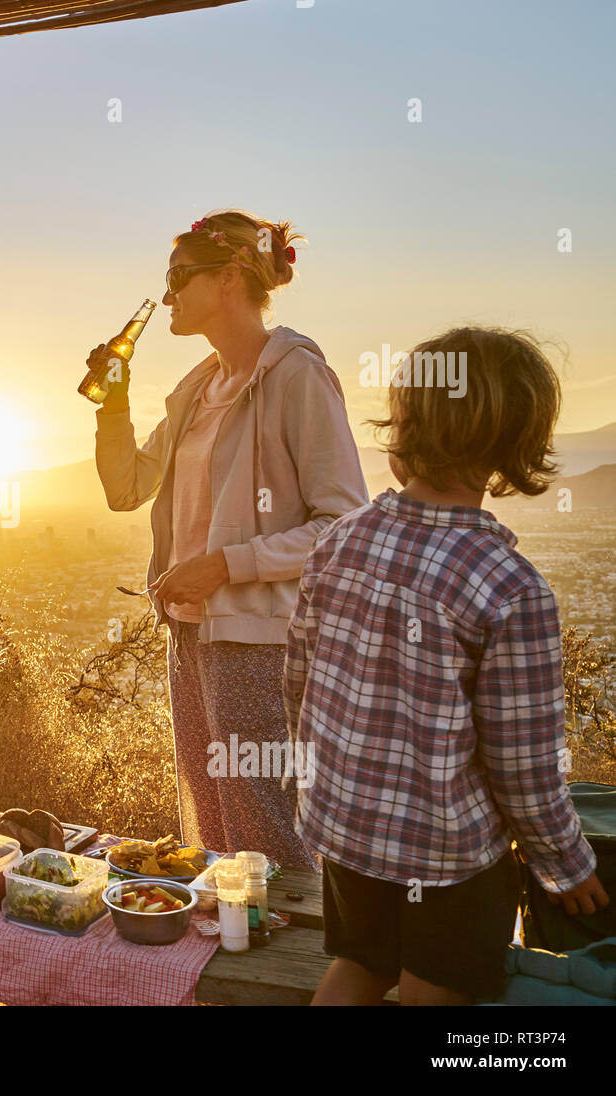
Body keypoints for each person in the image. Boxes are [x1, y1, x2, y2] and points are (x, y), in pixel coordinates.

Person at [287, 327, 609, 1005]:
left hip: (346, 830)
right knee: (437, 992)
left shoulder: (341, 542)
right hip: (448, 858)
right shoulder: (508, 586)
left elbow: (301, 684)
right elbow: (523, 766)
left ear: (405, 427)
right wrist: (564, 864)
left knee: (359, 967)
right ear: (513, 444)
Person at [90, 209, 367, 870]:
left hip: (260, 642)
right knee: (211, 821)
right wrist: (113, 405)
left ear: (232, 277)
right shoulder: (196, 390)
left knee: (264, 826)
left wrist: (225, 566)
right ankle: (224, 958)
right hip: (189, 636)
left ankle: (300, 964)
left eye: (180, 277)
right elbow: (126, 487)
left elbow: (345, 524)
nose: (167, 297)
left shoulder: (296, 376)